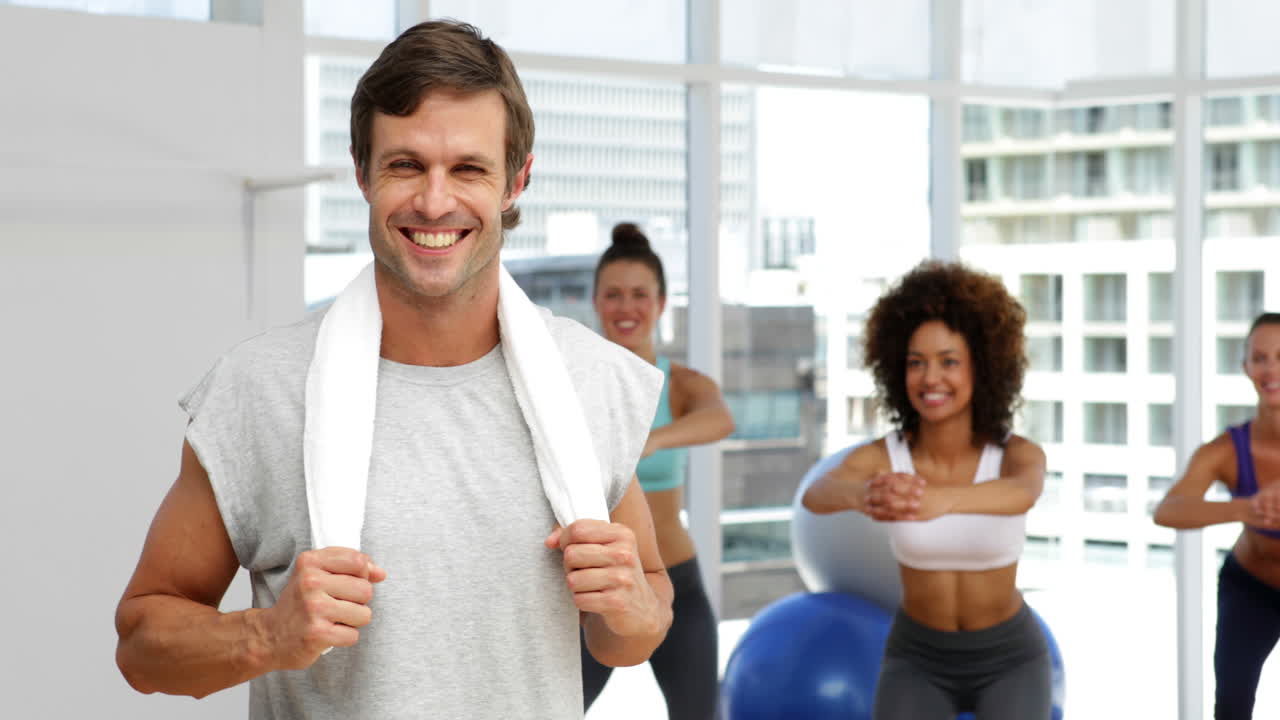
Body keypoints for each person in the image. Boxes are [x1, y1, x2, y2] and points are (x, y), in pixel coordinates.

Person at [113, 20, 674, 720]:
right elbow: (140, 645)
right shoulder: (261, 389)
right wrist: (266, 633)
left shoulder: (593, 382)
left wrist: (632, 606)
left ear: (516, 180)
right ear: (361, 172)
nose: (435, 202)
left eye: (468, 168)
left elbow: (632, 632)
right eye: (406, 165)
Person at [802, 260, 1051, 720]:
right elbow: (816, 495)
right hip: (918, 656)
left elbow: (1023, 492)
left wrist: (942, 500)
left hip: (1010, 657)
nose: (930, 378)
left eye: (948, 362)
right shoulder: (886, 456)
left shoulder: (1016, 454)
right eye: (916, 363)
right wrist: (865, 495)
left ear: (983, 367)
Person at [582, 222, 735, 719]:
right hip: (595, 591)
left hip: (677, 582)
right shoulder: (575, 381)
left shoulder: (681, 384)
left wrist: (649, 441)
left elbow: (719, 419)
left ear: (662, 303)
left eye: (640, 295)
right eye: (614, 295)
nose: (627, 307)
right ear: (597, 302)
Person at [1154, 312, 1280, 720]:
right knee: (1231, 706)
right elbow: (1168, 510)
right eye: (1260, 358)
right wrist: (1247, 508)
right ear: (1246, 367)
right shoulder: (1225, 450)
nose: (1271, 369)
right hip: (1251, 589)